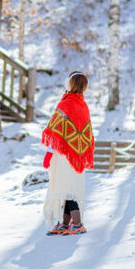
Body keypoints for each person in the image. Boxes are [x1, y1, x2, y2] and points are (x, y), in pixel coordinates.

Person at [41, 71, 95, 236]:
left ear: (70, 84)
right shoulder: (83, 106)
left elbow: (55, 131)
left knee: (66, 187)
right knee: (68, 188)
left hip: (64, 155)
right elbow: (87, 135)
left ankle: (77, 223)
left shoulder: (65, 104)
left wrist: (49, 153)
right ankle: (65, 223)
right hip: (76, 156)